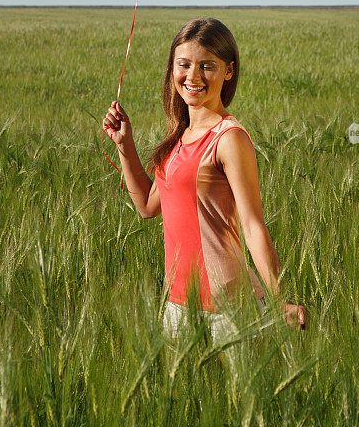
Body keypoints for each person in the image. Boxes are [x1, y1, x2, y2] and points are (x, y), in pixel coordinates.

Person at [102, 17, 308, 349]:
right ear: (172, 69)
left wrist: (280, 297)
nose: (193, 77)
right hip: (177, 305)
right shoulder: (178, 137)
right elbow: (146, 206)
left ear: (228, 70)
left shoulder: (228, 138)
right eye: (184, 65)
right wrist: (124, 145)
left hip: (229, 310)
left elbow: (254, 226)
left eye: (207, 66)